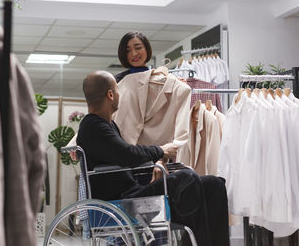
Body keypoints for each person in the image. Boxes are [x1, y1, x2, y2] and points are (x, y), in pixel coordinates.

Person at [76, 70, 230, 246]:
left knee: (214, 184)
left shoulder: (106, 125)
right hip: (121, 201)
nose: (120, 94)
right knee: (186, 178)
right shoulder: (93, 127)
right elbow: (127, 154)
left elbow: (126, 155)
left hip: (132, 193)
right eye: (118, 90)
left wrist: (156, 163)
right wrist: (160, 151)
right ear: (111, 94)